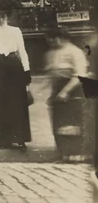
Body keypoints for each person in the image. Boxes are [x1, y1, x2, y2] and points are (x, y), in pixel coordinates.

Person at [0, 1, 31, 151]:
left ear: (7, 17)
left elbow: (22, 51)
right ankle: (0, 139)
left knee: (17, 102)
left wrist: (26, 70)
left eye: (3, 16)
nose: (0, 19)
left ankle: (19, 138)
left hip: (14, 67)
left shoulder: (16, 31)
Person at [44, 26, 92, 156]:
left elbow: (80, 75)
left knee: (72, 123)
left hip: (73, 90)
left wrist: (66, 91)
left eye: (53, 39)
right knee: (58, 123)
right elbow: (52, 74)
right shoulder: (51, 53)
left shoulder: (75, 52)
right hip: (57, 90)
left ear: (60, 38)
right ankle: (63, 153)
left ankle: (76, 154)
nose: (51, 42)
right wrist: (51, 92)